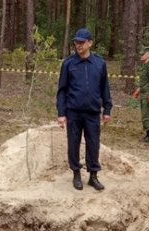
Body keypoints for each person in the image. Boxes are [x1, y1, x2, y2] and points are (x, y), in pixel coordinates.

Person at [56, 28, 112, 192]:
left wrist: (107, 109)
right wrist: (61, 113)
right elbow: (62, 90)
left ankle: (93, 175)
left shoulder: (99, 64)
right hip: (73, 111)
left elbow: (105, 88)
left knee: (93, 144)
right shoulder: (68, 64)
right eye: (76, 42)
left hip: (93, 112)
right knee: (73, 143)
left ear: (90, 43)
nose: (78, 45)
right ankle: (76, 174)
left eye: (81, 42)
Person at [134, 46, 149, 143]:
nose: (141, 55)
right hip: (144, 92)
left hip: (148, 93)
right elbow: (145, 81)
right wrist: (138, 90)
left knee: (146, 114)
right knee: (144, 113)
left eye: (142, 54)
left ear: (148, 54)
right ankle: (147, 134)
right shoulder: (145, 64)